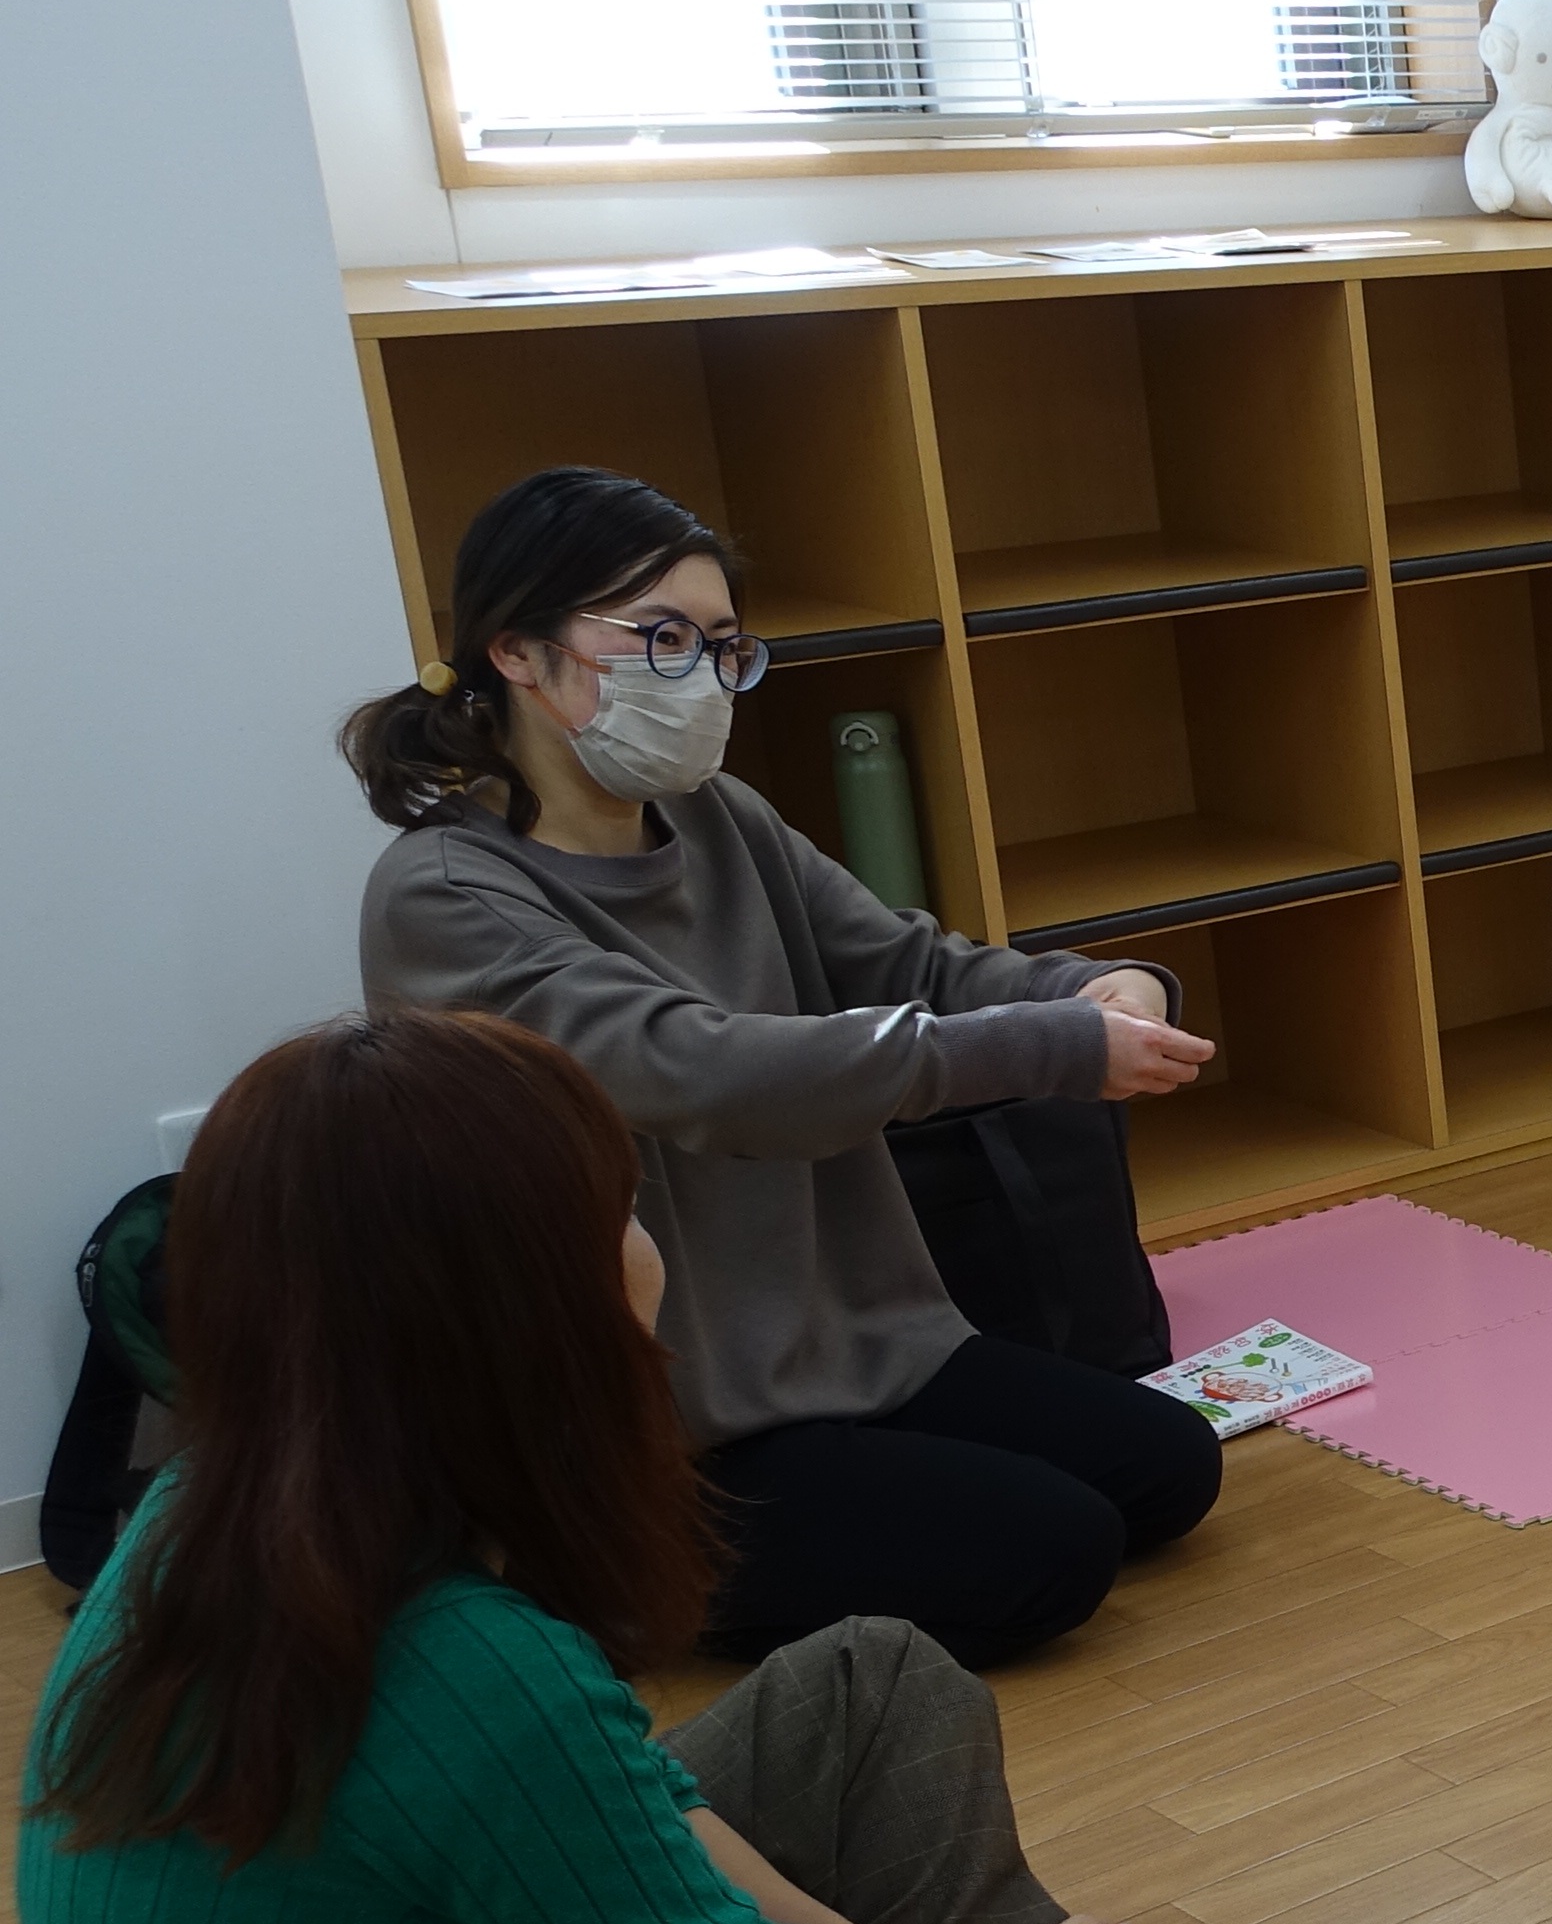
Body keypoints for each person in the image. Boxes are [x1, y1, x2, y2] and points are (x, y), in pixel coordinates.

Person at [11, 1010, 1260, 1924]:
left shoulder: (240, 1501)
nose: (649, 1240)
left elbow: (629, 1794)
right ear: (509, 1298)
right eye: (614, 1209)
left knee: (879, 1681)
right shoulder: (457, 1660)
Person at [351, 466, 1226, 1668]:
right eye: (660, 637)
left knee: (1167, 1469)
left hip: (849, 1344)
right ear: (518, 651)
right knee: (1057, 1555)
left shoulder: (721, 815)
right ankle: (590, 1566)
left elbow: (907, 961)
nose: (702, 676)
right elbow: (710, 1074)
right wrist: (1051, 1046)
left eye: (721, 645)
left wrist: (1091, 986)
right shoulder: (446, 895)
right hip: (662, 1416)